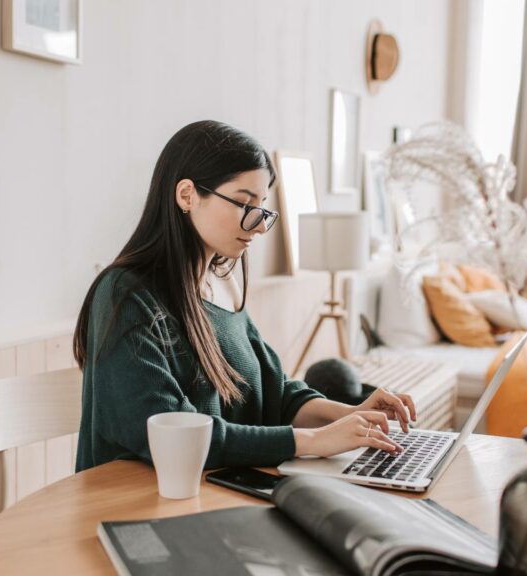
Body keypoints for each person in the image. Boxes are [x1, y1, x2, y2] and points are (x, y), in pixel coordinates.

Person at [73, 120, 416, 472]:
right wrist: (314, 441)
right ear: (187, 195)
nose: (257, 225)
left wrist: (354, 415)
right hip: (138, 506)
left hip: (220, 493)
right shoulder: (126, 295)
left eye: (263, 208)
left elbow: (275, 394)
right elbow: (173, 435)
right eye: (243, 203)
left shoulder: (224, 284)